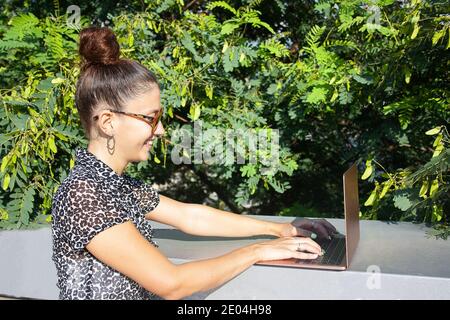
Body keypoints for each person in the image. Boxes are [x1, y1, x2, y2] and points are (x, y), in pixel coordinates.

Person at [51, 26, 337, 300]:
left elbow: (190, 217)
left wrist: (280, 229)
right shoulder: (83, 194)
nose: (160, 130)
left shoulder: (116, 185)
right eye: (150, 118)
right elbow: (171, 284)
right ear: (108, 122)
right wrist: (259, 251)